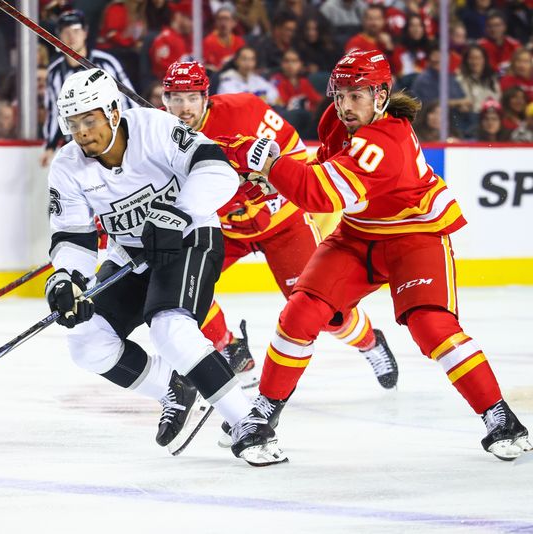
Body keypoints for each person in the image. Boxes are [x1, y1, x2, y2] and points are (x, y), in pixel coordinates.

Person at [217, 49, 531, 461]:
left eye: (357, 95)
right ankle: (263, 412)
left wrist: (273, 165)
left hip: (415, 237)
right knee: (301, 312)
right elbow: (322, 170)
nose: (345, 105)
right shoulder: (335, 119)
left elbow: (318, 194)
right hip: (359, 234)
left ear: (381, 95)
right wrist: (271, 179)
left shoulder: (387, 139)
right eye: (340, 93)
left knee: (431, 326)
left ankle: (500, 416)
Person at [45, 67, 286, 467]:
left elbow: (217, 168)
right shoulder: (67, 165)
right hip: (130, 254)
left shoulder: (154, 127)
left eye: (89, 120)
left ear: (114, 112)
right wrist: (66, 278)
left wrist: (176, 213)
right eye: (73, 123)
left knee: (169, 327)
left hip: (190, 237)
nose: (82, 132)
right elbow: (73, 236)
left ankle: (251, 424)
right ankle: (172, 385)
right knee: (85, 341)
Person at [162, 60, 398, 390]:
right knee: (178, 288)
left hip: (282, 222)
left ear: (206, 97)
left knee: (327, 313)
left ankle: (371, 343)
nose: (183, 108)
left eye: (191, 98)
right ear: (164, 99)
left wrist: (271, 179)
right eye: (175, 98)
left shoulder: (245, 109)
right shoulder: (159, 134)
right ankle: (231, 349)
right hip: (224, 229)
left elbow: (294, 151)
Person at [41, 9, 134, 166]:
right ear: (59, 37)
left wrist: (132, 135)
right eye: (66, 32)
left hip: (113, 141)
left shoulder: (107, 63)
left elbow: (130, 101)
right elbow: (54, 113)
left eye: (76, 30)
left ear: (85, 33)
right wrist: (50, 146)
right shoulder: (54, 72)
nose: (71, 36)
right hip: (80, 147)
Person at [201, 4, 245, 72]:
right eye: (220, 19)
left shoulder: (240, 42)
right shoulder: (207, 42)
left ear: (234, 22)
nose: (223, 23)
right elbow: (202, 65)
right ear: (215, 22)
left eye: (226, 19)